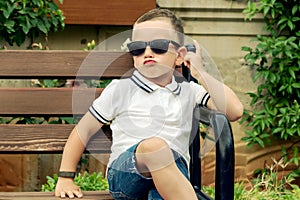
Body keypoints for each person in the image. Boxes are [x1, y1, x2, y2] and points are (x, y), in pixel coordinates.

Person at [55, 8, 243, 200]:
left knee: (161, 182)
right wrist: (65, 177)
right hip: (126, 176)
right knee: (155, 147)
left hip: (173, 176)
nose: (147, 53)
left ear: (179, 56)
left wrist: (199, 72)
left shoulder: (189, 90)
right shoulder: (120, 89)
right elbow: (83, 130)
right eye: (138, 48)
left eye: (158, 46)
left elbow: (234, 111)